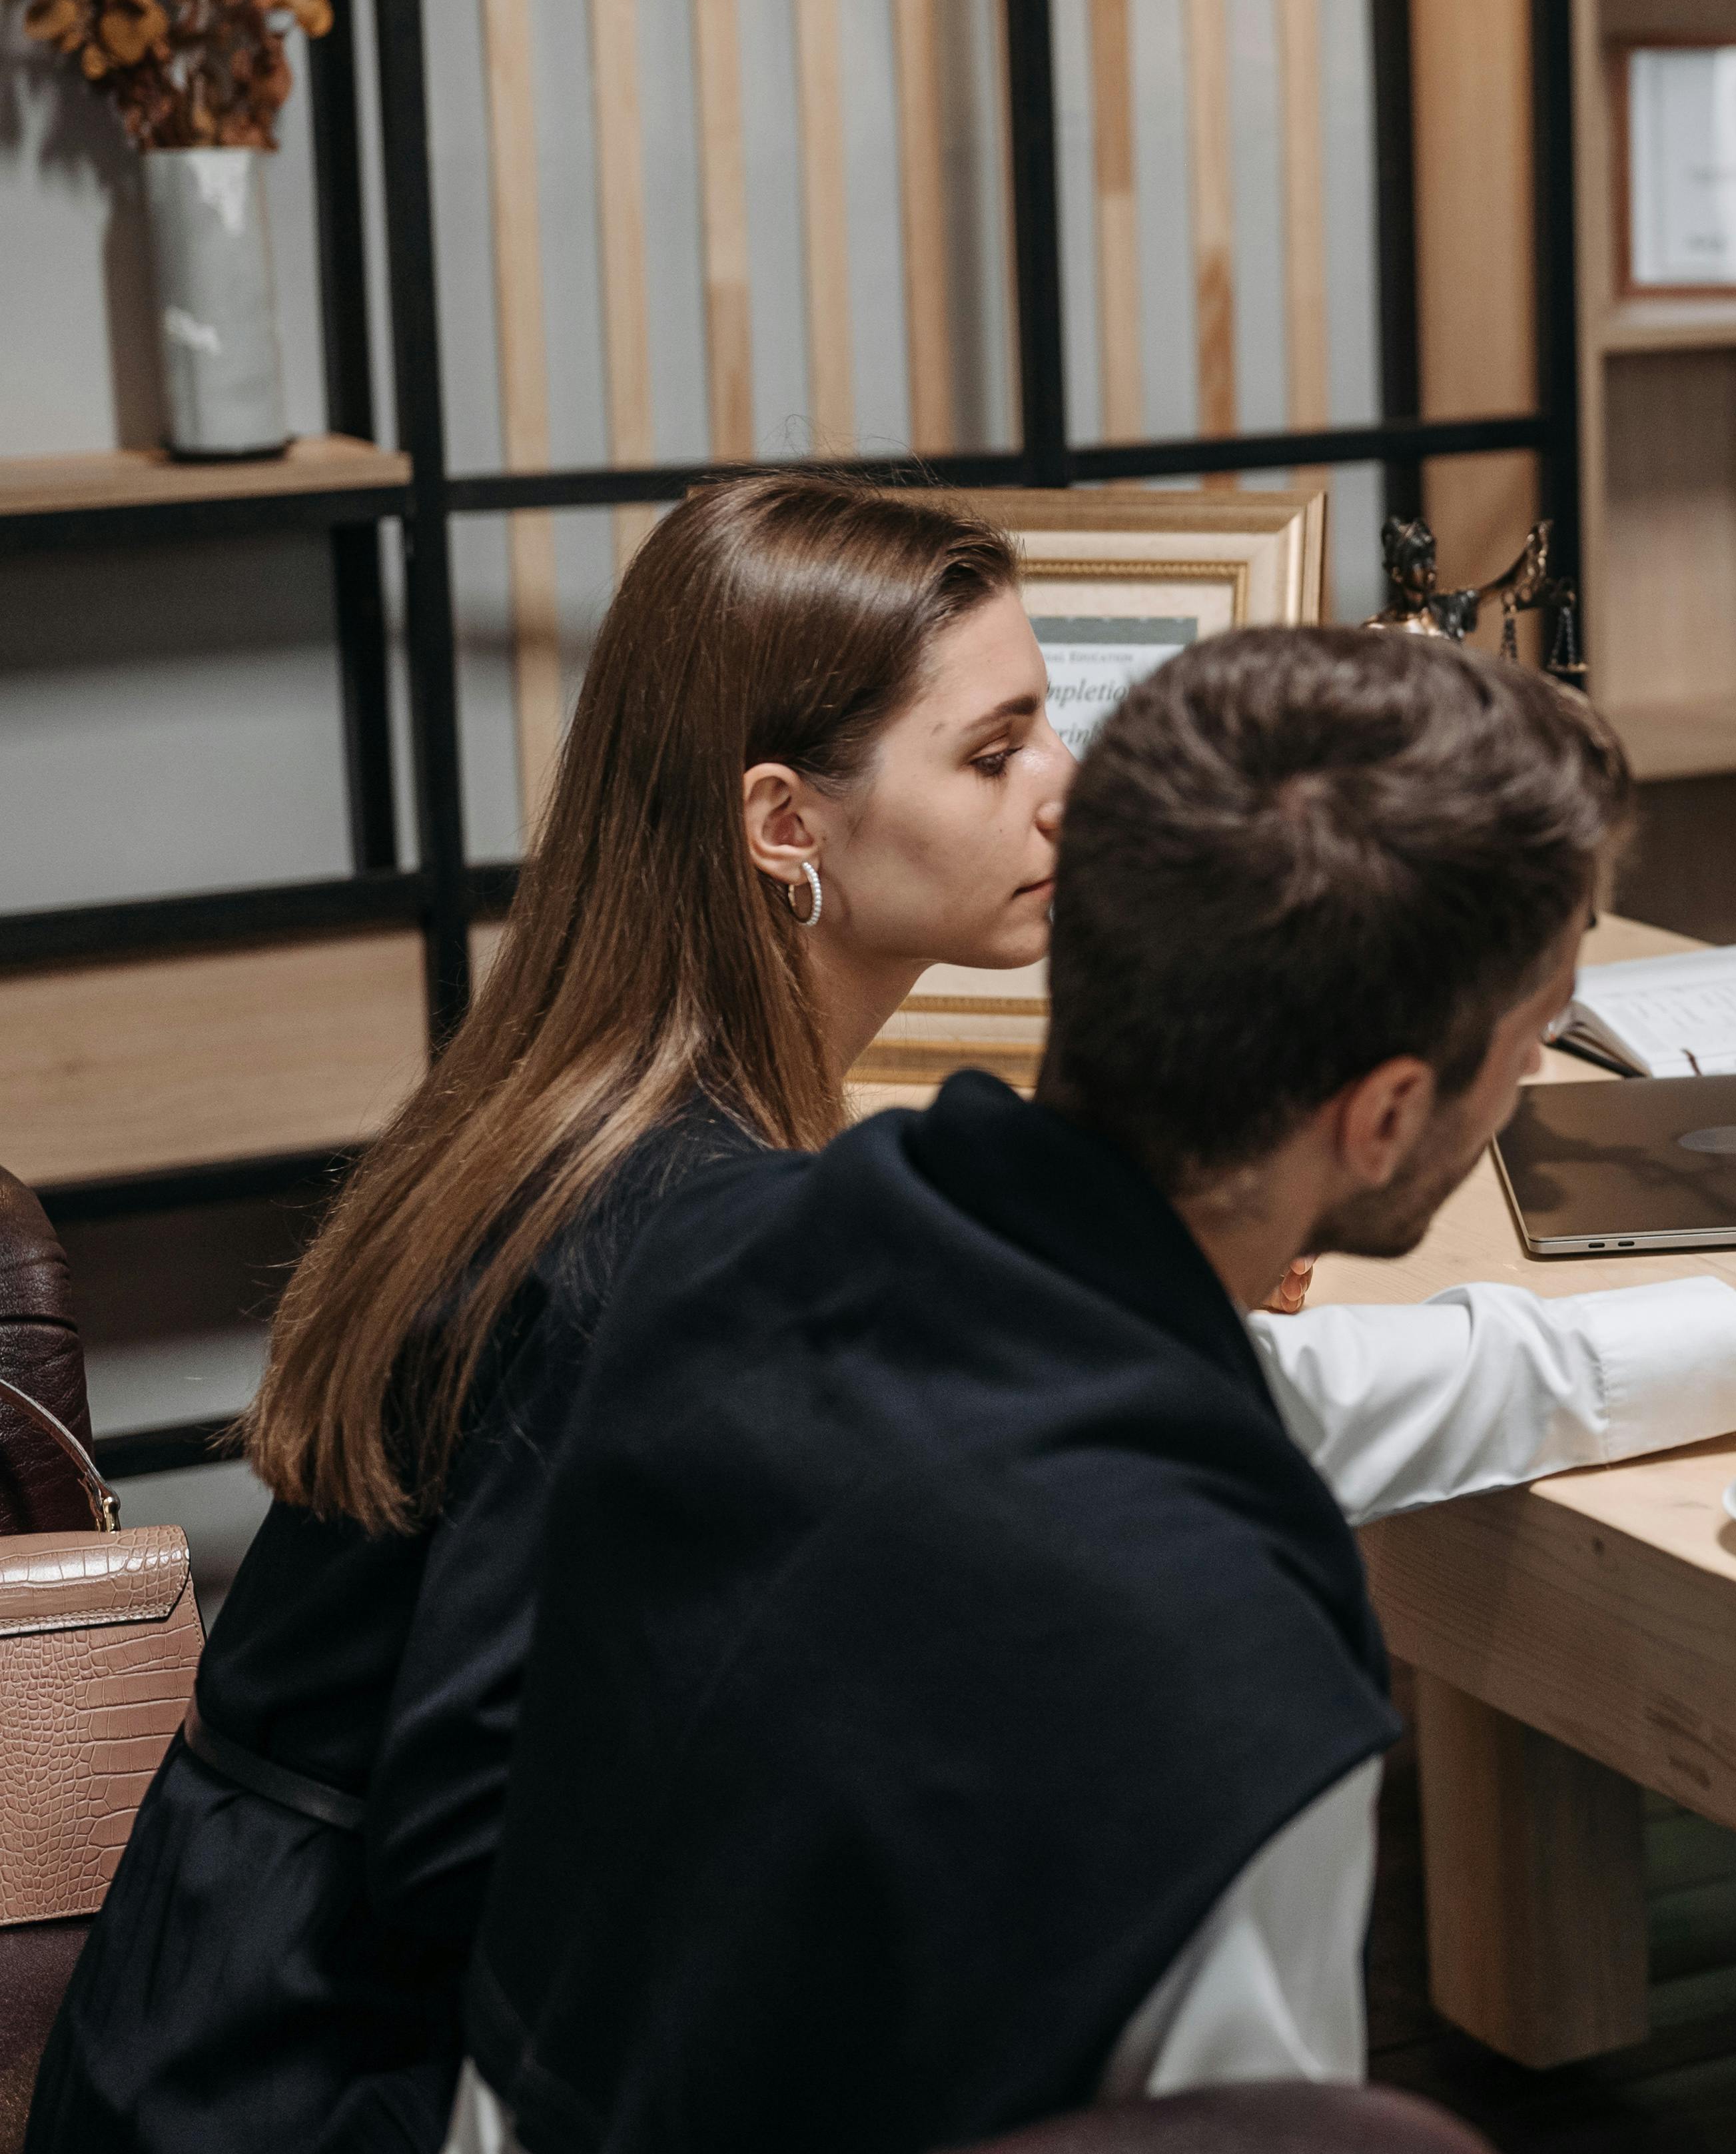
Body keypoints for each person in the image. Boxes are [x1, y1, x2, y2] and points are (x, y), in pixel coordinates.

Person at [444, 629, 1736, 2154]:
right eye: (1535, 1037)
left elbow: (1335, 1385)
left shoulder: (763, 1258)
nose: (1532, 1080)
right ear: (1378, 1114)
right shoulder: (1218, 1661)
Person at [31, 473, 1072, 2154]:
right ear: (784, 824)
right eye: (994, 749)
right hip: (306, 2083)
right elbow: (470, 1827)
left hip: (225, 2015)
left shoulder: (600, 1100)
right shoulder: (666, 1209)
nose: (1061, 791)